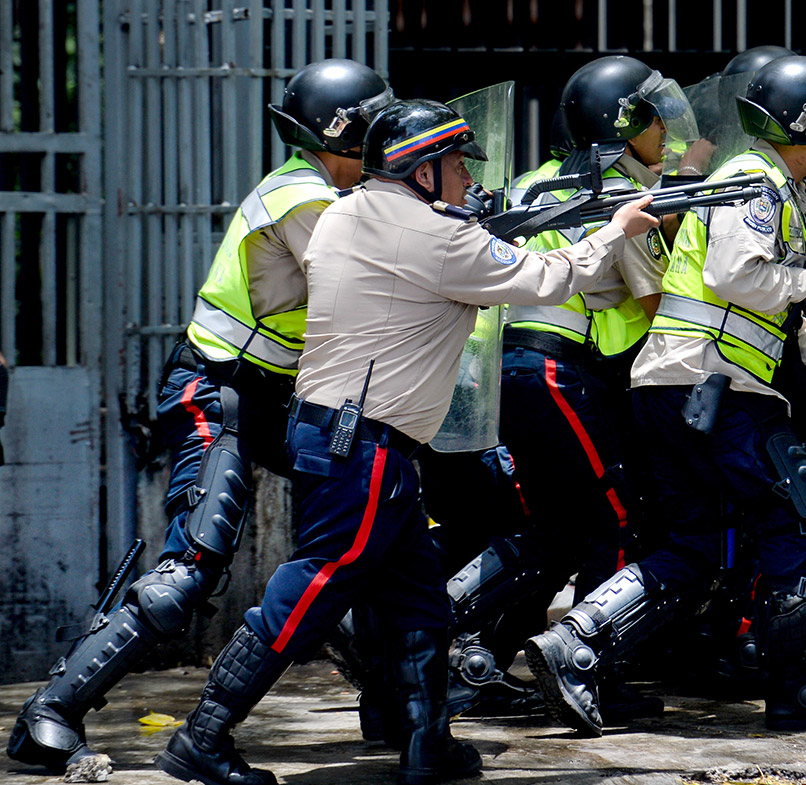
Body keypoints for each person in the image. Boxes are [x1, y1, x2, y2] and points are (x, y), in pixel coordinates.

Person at [153, 98, 659, 785]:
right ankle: (203, 734)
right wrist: (618, 227)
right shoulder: (437, 238)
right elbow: (551, 276)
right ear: (419, 172)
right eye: (453, 163)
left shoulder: (346, 212)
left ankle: (429, 743)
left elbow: (440, 249)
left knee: (419, 600)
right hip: (362, 443)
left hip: (349, 437)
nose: (463, 176)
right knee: (313, 587)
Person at [5, 59, 395, 774]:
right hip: (216, 391)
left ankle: (395, 701)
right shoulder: (303, 200)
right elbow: (375, 278)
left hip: (279, 397)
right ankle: (50, 711)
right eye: (381, 121)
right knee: (190, 568)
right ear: (346, 130)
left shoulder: (346, 193)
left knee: (366, 525)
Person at [524, 55, 806, 737]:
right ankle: (799, 692)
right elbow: (739, 275)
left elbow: (781, 311)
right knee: (793, 523)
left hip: (683, 384)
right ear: (804, 125)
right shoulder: (752, 180)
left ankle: (573, 646)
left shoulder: (778, 191)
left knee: (701, 546)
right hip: (715, 385)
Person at [445, 55, 683, 720]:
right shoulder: (614, 190)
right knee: (614, 515)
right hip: (556, 369)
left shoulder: (534, 180)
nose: (664, 127)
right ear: (622, 123)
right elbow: (657, 301)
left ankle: (468, 649)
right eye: (651, 115)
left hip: (507, 368)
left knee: (548, 524)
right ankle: (589, 669)